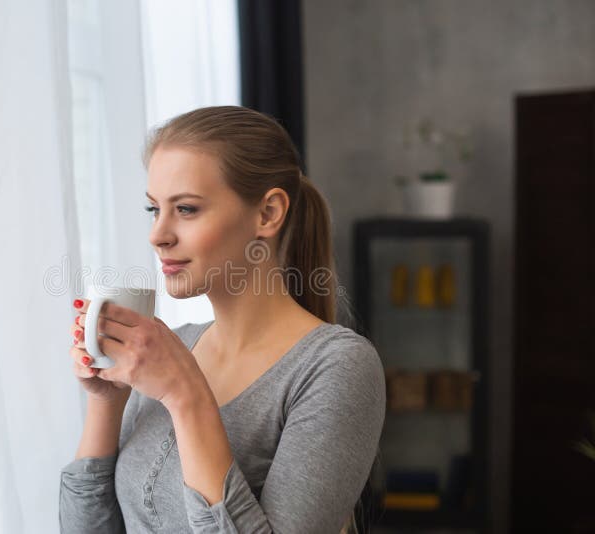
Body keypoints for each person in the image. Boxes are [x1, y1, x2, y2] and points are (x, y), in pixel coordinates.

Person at [59, 106, 385, 533]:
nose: (158, 235)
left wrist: (186, 395)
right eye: (153, 209)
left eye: (187, 209)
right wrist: (106, 401)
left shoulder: (336, 367)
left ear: (267, 213)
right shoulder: (171, 350)